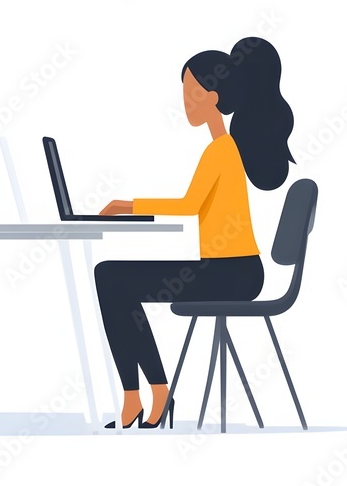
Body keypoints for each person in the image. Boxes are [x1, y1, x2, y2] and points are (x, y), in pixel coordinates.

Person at [95, 37, 295, 429]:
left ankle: (148, 393)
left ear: (214, 96)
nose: (185, 102)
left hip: (232, 274)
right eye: (184, 93)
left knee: (111, 277)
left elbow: (189, 206)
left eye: (192, 93)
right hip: (229, 270)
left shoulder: (222, 150)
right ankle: (145, 394)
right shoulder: (224, 149)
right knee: (113, 278)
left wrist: (126, 205)